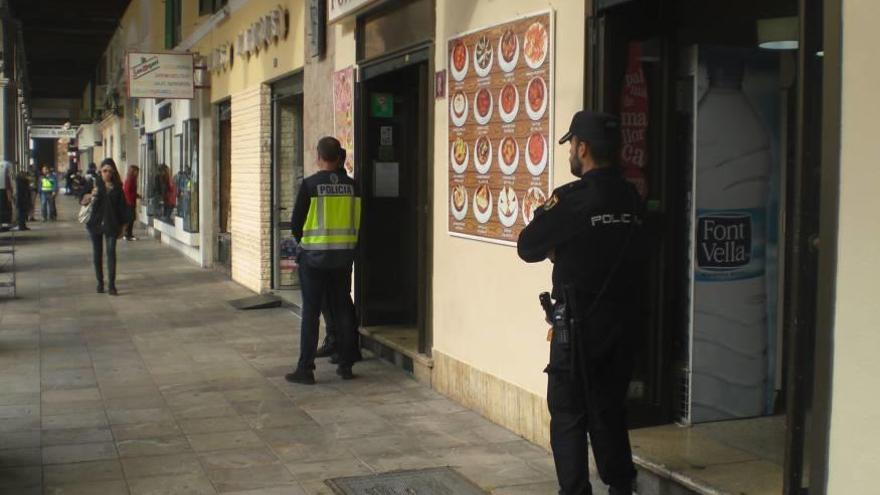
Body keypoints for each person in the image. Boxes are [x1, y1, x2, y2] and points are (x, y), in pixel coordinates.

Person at [517, 111, 645, 495]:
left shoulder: (573, 200)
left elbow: (527, 246)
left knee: (569, 412)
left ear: (583, 149)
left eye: (572, 144)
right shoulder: (632, 196)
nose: (571, 151)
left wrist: (562, 250)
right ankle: (621, 486)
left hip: (578, 327)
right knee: (609, 409)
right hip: (623, 325)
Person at [286, 137, 361, 384]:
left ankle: (305, 369)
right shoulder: (353, 187)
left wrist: (307, 245)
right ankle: (347, 364)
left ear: (319, 157)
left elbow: (296, 224)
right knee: (342, 308)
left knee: (311, 312)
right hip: (342, 258)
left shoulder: (310, 185)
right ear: (339, 157)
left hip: (314, 259)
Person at [83, 158, 128, 296]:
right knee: (97, 254)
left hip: (112, 224)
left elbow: (123, 209)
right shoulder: (94, 184)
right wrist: (90, 195)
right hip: (95, 224)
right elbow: (82, 199)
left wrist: (124, 227)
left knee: (111, 254)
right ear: (100, 171)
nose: (107, 173)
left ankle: (112, 285)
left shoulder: (118, 188)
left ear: (114, 172)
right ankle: (100, 283)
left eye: (110, 171)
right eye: (104, 171)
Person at [122, 165, 141, 241]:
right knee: (130, 219)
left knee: (131, 219)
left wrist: (137, 195)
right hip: (129, 202)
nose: (137, 173)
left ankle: (129, 234)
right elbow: (127, 192)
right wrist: (134, 196)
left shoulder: (131, 180)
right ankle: (128, 234)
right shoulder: (130, 180)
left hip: (131, 202)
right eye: (136, 171)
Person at [0, 160, 12, 231]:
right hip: (4, 194)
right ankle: (3, 225)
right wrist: (10, 197)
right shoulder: (6, 176)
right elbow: (8, 188)